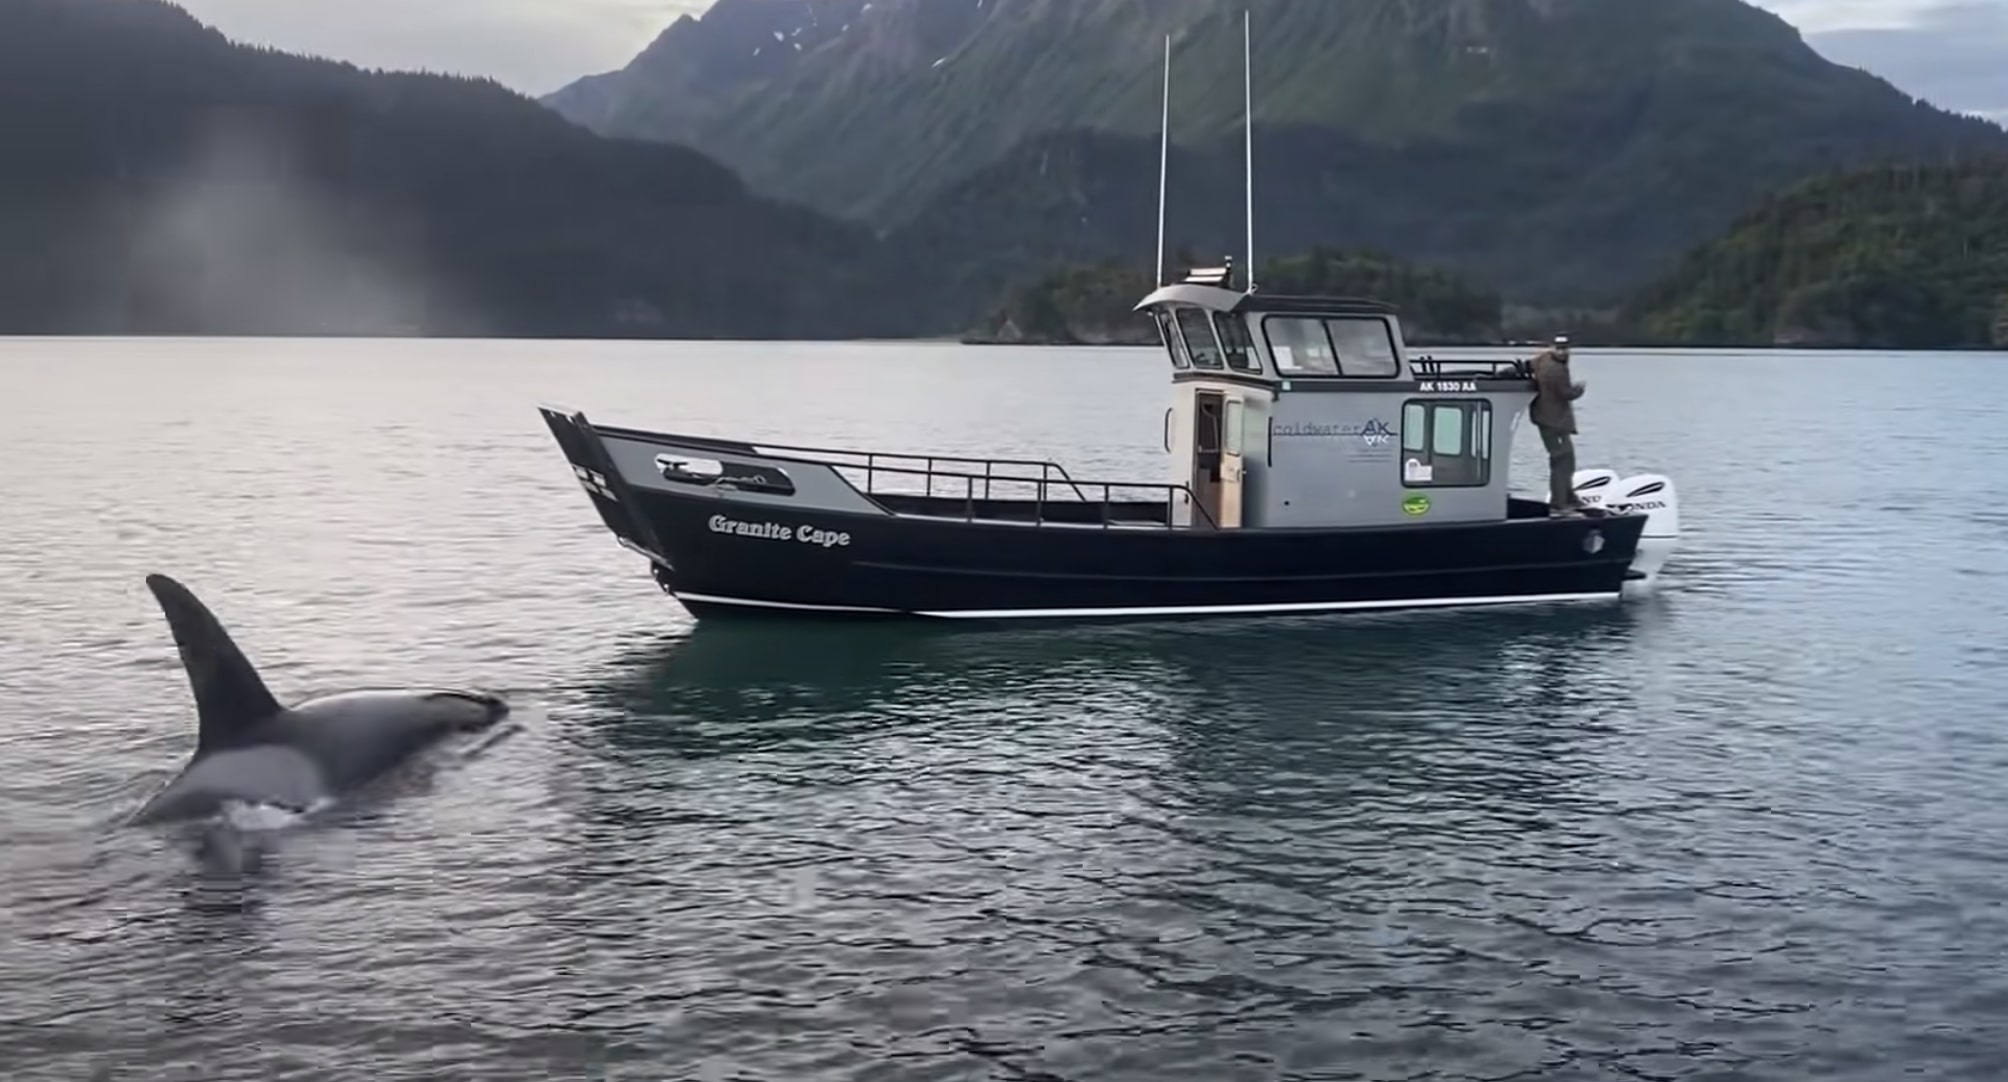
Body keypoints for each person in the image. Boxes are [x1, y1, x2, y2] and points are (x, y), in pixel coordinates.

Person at [1529, 335, 1587, 515]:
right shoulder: (1556, 369)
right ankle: (1559, 502)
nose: (1562, 352)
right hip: (1554, 421)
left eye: (1564, 348)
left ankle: (1568, 496)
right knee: (1562, 460)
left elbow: (1527, 365)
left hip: (1546, 418)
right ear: (1553, 348)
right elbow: (1565, 393)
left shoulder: (1541, 360)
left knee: (1566, 458)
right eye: (1559, 348)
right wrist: (1579, 390)